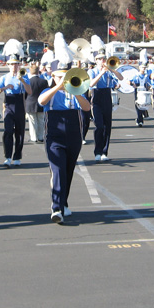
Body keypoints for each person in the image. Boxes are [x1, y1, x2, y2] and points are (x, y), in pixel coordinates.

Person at [39, 56, 91, 223]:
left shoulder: (76, 91)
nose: (62, 80)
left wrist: (75, 92)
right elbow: (41, 101)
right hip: (55, 136)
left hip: (73, 135)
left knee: (68, 171)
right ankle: (56, 207)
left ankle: (63, 203)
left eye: (65, 76)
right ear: (53, 77)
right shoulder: (48, 91)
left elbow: (87, 107)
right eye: (59, 76)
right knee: (57, 170)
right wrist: (58, 88)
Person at [0, 54, 31, 166]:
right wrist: (4, 88)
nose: (14, 66)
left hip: (20, 105)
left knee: (20, 133)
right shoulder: (4, 78)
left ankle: (17, 156)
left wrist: (23, 81)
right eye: (12, 64)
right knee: (8, 131)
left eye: (16, 64)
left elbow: (30, 92)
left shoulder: (25, 76)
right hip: (9, 104)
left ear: (19, 65)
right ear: (8, 65)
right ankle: (8, 157)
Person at [88, 50, 122, 161]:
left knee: (107, 126)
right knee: (99, 126)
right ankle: (97, 151)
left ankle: (104, 152)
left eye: (103, 59)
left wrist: (113, 72)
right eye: (99, 59)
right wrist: (101, 73)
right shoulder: (92, 71)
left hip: (107, 97)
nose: (102, 61)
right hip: (96, 98)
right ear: (95, 61)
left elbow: (120, 78)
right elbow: (91, 84)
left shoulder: (109, 72)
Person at [25, 63, 49, 142]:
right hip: (41, 103)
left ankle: (34, 137)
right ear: (38, 71)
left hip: (30, 103)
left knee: (32, 122)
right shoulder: (44, 81)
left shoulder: (28, 82)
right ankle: (41, 137)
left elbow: (25, 94)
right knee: (41, 121)